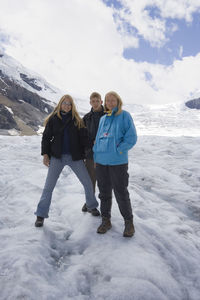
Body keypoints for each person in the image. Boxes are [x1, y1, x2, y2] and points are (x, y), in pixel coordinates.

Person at [35, 94, 100, 227]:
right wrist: (45, 154)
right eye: (65, 103)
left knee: (87, 182)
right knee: (48, 187)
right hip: (57, 157)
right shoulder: (53, 119)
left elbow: (84, 138)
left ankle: (91, 206)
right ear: (60, 104)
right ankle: (41, 215)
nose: (67, 106)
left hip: (74, 157)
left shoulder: (77, 120)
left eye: (69, 104)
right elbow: (46, 138)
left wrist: (93, 145)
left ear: (72, 106)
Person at [93, 91, 137, 237]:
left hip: (118, 162)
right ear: (105, 103)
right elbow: (99, 137)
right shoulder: (103, 118)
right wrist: (95, 154)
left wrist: (119, 149)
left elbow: (131, 137)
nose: (110, 103)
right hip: (101, 162)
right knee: (104, 193)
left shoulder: (124, 116)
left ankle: (129, 222)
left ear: (118, 101)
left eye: (113, 100)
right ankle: (106, 220)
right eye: (107, 100)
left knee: (121, 192)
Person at [81, 92, 105, 213]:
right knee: (90, 180)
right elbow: (82, 136)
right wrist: (90, 144)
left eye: (97, 101)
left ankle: (105, 208)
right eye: (93, 101)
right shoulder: (86, 118)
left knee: (104, 180)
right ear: (90, 102)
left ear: (101, 101)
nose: (95, 103)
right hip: (90, 154)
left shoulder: (108, 115)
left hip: (105, 154)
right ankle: (90, 203)